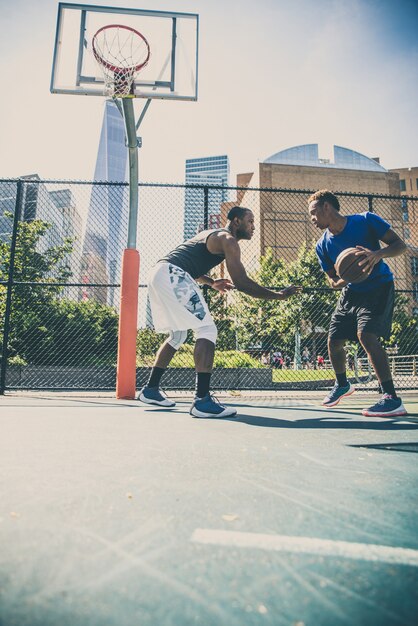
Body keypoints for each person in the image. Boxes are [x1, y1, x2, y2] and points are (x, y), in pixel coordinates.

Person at [138, 206, 301, 418]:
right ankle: (202, 401)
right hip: (172, 274)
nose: (253, 226)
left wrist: (211, 282)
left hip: (160, 273)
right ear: (236, 222)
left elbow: (188, 264)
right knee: (207, 329)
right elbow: (241, 282)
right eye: (250, 221)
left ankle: (151, 389)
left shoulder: (209, 235)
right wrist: (279, 295)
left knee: (178, 335)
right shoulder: (228, 240)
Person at [308, 189, 408, 417]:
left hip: (379, 286)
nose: (312, 219)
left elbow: (399, 245)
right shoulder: (322, 245)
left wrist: (375, 255)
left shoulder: (365, 220)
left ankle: (391, 397)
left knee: (366, 336)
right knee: (334, 341)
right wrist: (350, 275)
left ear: (327, 207)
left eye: (314, 213)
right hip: (351, 291)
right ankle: (342, 384)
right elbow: (333, 281)